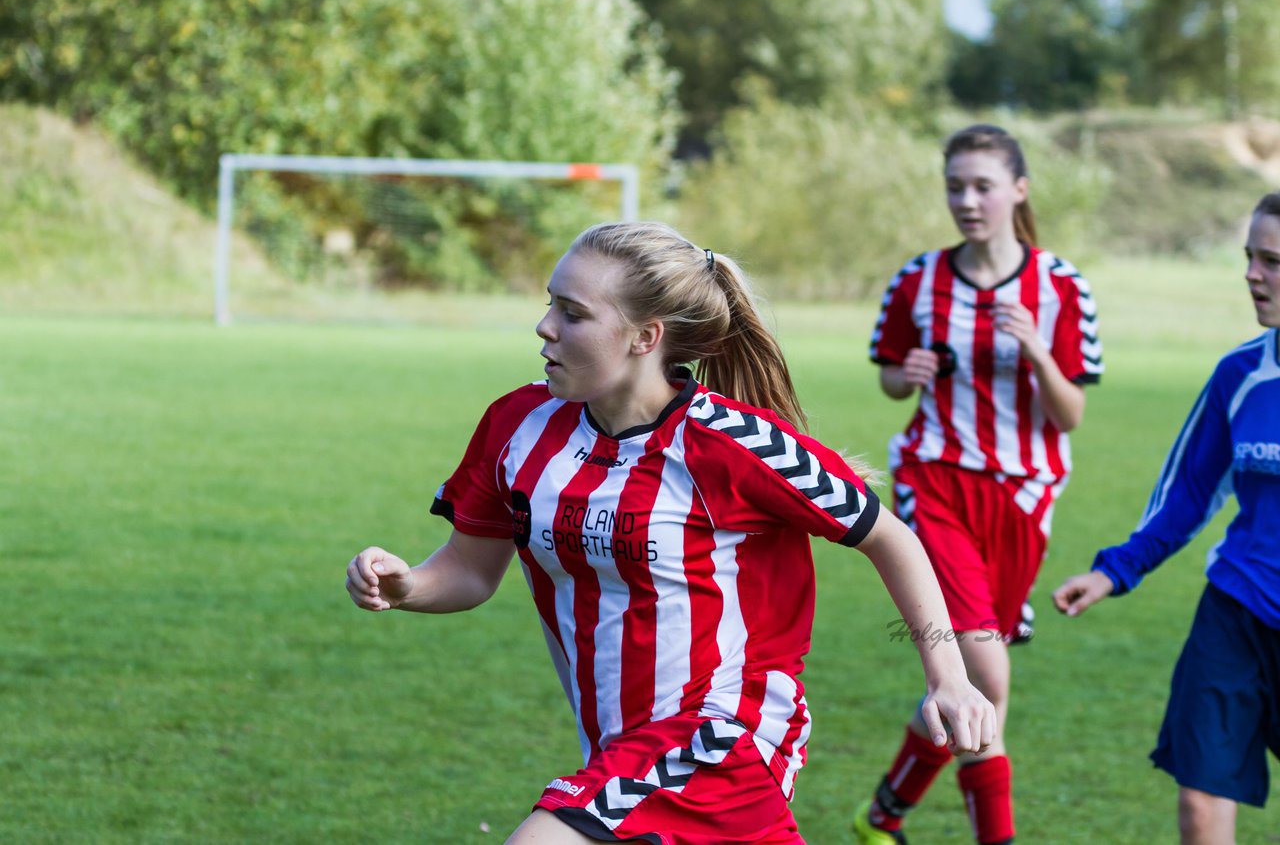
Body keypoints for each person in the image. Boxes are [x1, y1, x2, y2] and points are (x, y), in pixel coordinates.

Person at [345, 221, 996, 844]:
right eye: (550, 305)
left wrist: (948, 678)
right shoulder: (519, 425)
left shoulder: (737, 445)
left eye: (573, 314)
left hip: (724, 734)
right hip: (618, 744)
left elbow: (890, 537)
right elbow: (469, 568)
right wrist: (406, 584)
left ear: (644, 336)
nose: (545, 327)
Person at [854, 124, 1104, 845]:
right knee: (987, 676)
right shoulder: (919, 279)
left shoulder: (1060, 286)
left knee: (970, 677)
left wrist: (1034, 350)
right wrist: (908, 375)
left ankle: (881, 816)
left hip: (1024, 495)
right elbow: (890, 377)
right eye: (955, 186)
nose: (967, 200)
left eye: (982, 186)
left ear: (1018, 190)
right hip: (935, 484)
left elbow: (1071, 414)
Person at [1052, 191, 1280, 845]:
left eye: (1272, 261)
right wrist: (1114, 571)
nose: (1252, 275)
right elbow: (1187, 494)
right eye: (1248, 257)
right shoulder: (1240, 375)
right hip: (1236, 612)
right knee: (1202, 804)